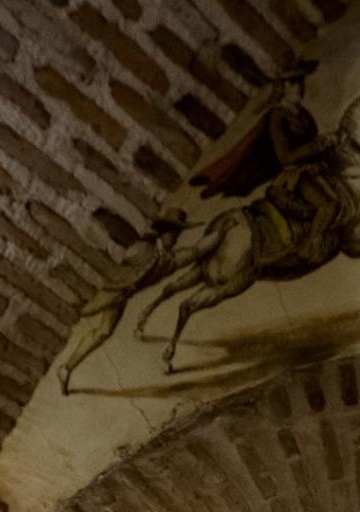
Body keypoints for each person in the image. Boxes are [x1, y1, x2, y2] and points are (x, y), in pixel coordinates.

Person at [57, 207, 191, 393]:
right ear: (164, 233)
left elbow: (192, 253)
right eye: (174, 234)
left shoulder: (165, 256)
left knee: (104, 331)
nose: (176, 239)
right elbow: (125, 260)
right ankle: (66, 368)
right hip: (116, 290)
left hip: (123, 293)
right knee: (96, 323)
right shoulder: (144, 248)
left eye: (177, 234)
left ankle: (66, 368)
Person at [190, 60, 330, 200]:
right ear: (283, 87)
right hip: (291, 174)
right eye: (293, 83)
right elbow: (285, 157)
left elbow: (312, 137)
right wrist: (318, 145)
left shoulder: (302, 113)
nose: (300, 88)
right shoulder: (277, 117)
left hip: (312, 164)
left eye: (301, 82)